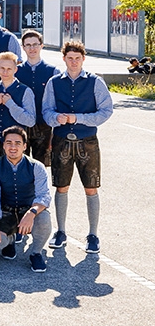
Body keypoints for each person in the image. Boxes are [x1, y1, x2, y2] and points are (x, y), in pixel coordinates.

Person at [42, 40, 113, 253]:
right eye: (70, 58)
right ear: (64, 59)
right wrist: (57, 118)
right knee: (61, 186)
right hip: (62, 141)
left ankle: (93, 235)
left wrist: (78, 118)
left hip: (88, 142)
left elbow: (106, 111)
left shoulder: (95, 82)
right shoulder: (54, 82)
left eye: (77, 58)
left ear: (83, 59)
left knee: (91, 188)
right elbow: (46, 112)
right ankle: (61, 231)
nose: (73, 62)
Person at [0, 126, 52, 273]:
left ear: (24, 146)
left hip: (28, 209)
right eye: (8, 143)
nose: (13, 147)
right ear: (3, 145)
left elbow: (45, 196)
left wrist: (31, 213)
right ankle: (9, 240)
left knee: (45, 218)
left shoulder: (37, 166)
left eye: (17, 143)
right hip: (6, 212)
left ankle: (36, 253)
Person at [15, 30, 60, 166]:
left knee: (42, 164)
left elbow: (57, 102)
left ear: (41, 45)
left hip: (44, 125)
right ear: (23, 47)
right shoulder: (16, 71)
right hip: (21, 124)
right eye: (28, 45)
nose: (32, 48)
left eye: (35, 44)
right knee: (20, 163)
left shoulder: (53, 71)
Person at [0, 51, 36, 160]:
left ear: (15, 69)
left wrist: (10, 104)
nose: (5, 72)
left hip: (16, 146)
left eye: (9, 69)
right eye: (2, 68)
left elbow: (30, 121)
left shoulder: (25, 91)